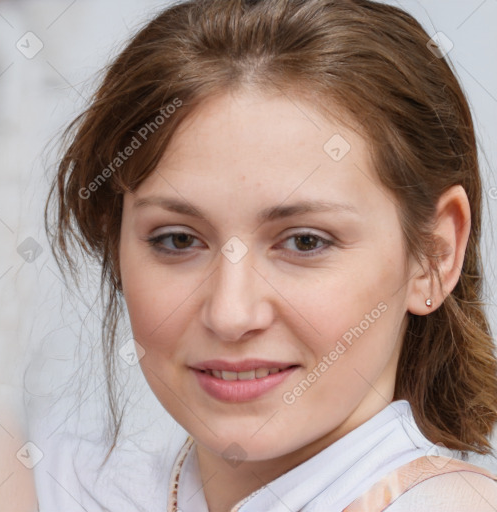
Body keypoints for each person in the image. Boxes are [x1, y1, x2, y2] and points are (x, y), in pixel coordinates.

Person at [44, 0, 497, 510]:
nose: (231, 314)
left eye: (305, 241)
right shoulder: (60, 488)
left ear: (435, 254)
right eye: (177, 239)